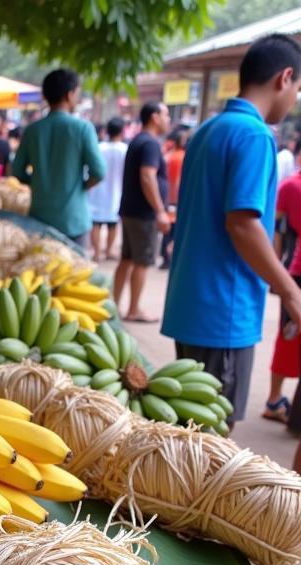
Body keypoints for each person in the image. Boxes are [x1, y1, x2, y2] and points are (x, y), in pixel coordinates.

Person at [162, 34, 301, 431]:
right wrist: (291, 293)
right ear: (284, 77)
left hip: (191, 306)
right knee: (211, 441)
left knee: (189, 435)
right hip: (223, 313)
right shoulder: (255, 136)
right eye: (297, 89)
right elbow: (242, 223)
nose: (294, 99)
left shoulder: (209, 129)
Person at [11, 69, 106, 248]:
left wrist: (38, 184)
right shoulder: (82, 128)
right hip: (73, 219)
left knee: (40, 273)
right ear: (70, 95)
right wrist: (82, 186)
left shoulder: (32, 131)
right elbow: (99, 172)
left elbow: (16, 171)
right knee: (75, 273)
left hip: (39, 217)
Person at [113, 101, 171, 321]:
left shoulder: (138, 140)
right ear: (154, 117)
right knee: (142, 261)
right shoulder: (150, 144)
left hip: (130, 210)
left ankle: (115, 305)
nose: (168, 120)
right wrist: (160, 210)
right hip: (142, 214)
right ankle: (133, 309)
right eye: (165, 114)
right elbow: (148, 177)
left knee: (127, 259)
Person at [264, 157, 301, 421]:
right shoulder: (291, 186)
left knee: (287, 335)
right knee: (288, 335)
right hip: (295, 273)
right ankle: (274, 400)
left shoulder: (289, 185)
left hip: (291, 272)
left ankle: (275, 398)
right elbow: (276, 230)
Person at [88, 117, 127, 262]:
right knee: (112, 223)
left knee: (96, 223)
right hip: (116, 189)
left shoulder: (99, 147)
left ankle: (97, 252)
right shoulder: (124, 150)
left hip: (97, 189)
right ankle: (109, 250)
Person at [159, 128, 188, 269]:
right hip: (174, 200)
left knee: (167, 231)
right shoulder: (182, 157)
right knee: (173, 231)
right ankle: (169, 257)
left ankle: (165, 257)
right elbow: (177, 181)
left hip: (166, 198)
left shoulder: (168, 156)